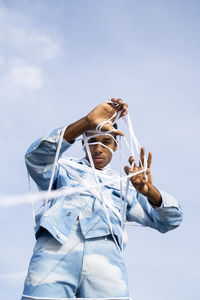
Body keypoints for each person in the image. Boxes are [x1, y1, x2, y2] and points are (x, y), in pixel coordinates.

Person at [21, 98, 183, 300]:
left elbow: (170, 221)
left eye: (105, 141)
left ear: (115, 146)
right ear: (83, 144)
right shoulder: (64, 169)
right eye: (91, 141)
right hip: (55, 248)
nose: (97, 148)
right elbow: (36, 159)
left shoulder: (126, 185)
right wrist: (87, 122)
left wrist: (150, 192)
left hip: (105, 259)